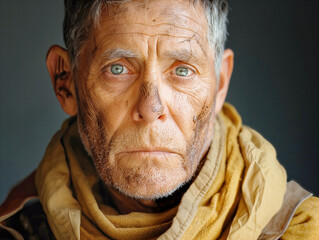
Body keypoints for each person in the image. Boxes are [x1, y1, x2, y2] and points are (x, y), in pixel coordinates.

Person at [0, 0, 318, 239]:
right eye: (118, 69)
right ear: (66, 81)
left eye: (182, 71)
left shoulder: (301, 228)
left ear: (220, 83)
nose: (151, 108)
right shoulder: (18, 227)